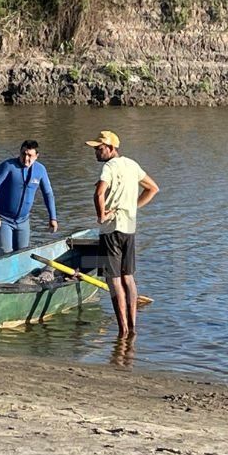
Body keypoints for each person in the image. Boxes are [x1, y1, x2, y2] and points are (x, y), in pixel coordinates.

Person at [86, 130, 159, 338]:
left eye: (99, 149)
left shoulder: (109, 167)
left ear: (111, 148)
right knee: (128, 277)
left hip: (111, 230)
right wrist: (132, 207)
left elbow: (99, 193)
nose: (96, 152)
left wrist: (101, 215)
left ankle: (123, 330)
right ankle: (133, 328)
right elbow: (153, 188)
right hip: (129, 229)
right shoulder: (132, 165)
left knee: (114, 280)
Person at [0, 139, 57, 255]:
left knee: (23, 254)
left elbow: (48, 193)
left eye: (30, 155)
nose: (26, 158)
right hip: (4, 219)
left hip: (23, 220)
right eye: (23, 154)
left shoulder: (40, 170)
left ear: (36, 156)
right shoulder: (8, 166)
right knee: (5, 254)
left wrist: (53, 218)